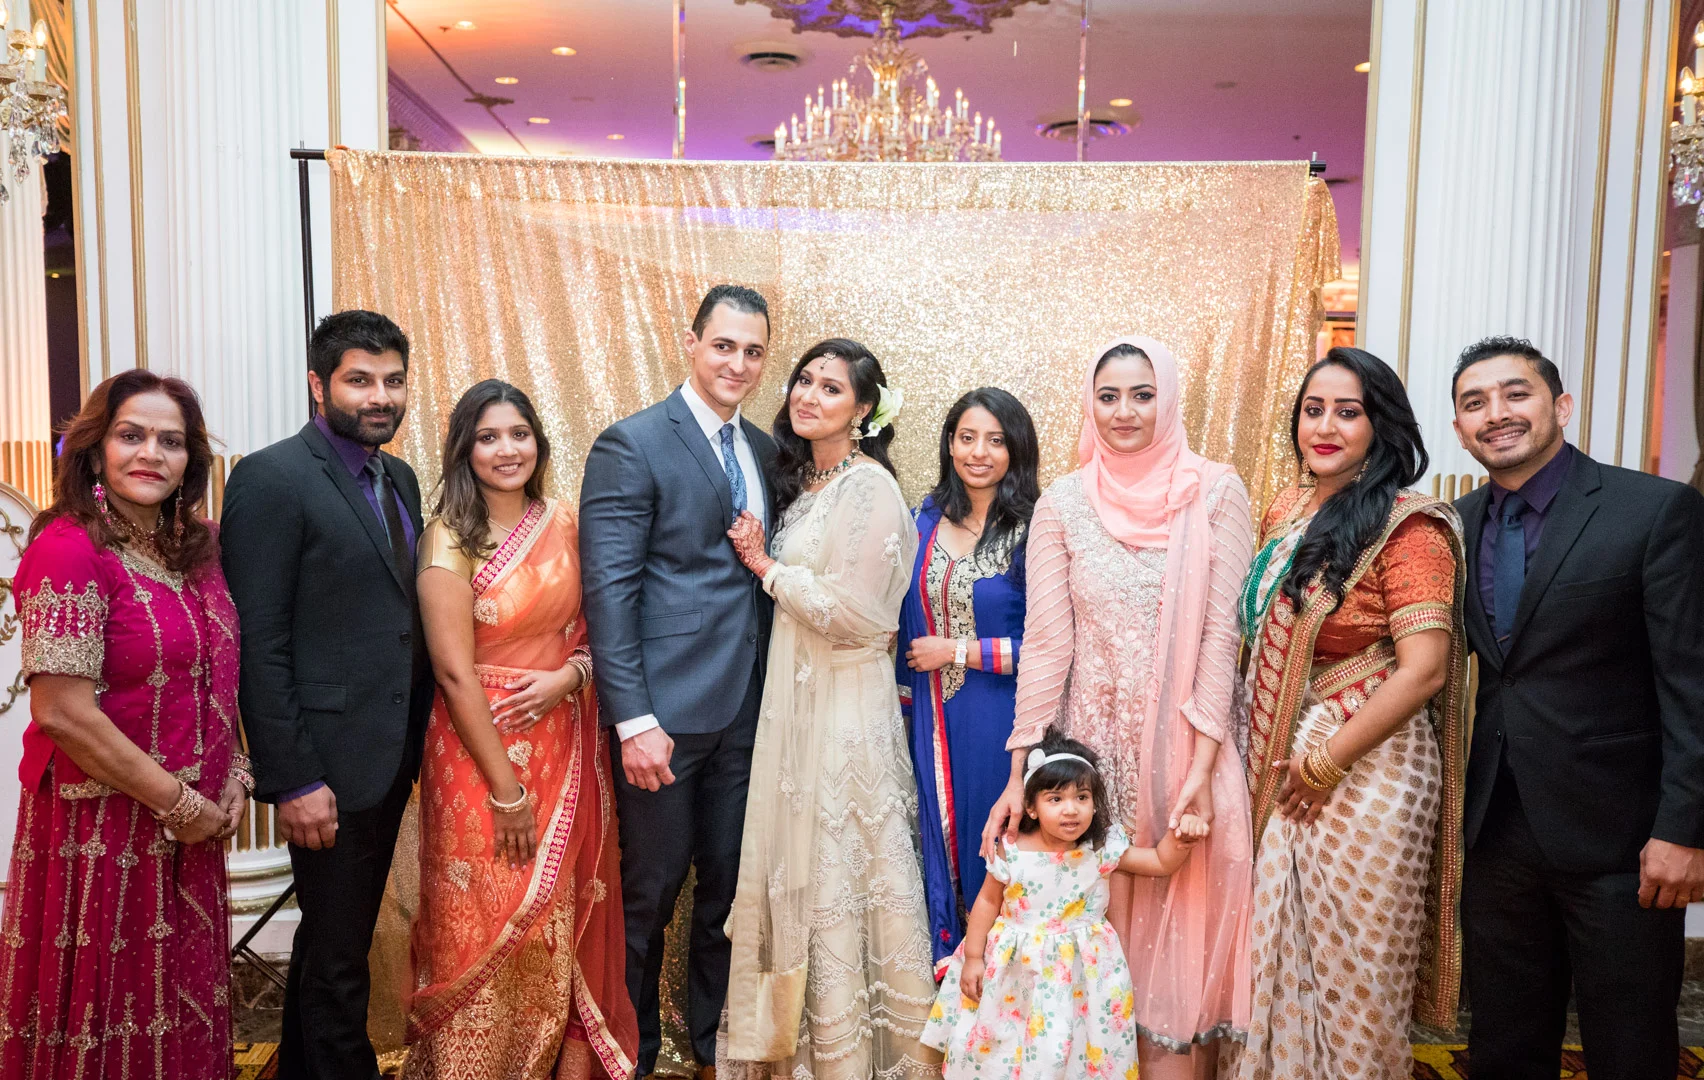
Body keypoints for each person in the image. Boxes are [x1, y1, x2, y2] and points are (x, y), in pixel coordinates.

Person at [988, 337, 1252, 1079]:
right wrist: (1020, 775)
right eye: (1108, 396)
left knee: (1181, 945)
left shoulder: (1216, 490)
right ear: (1089, 403)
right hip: (1092, 762)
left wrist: (1200, 767)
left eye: (1143, 394)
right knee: (1093, 948)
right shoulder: (1063, 503)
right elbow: (1048, 645)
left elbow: (1222, 635)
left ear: (1168, 399)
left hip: (1188, 753)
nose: (1124, 411)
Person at [1449, 336, 1704, 1080]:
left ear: (1560, 405)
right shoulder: (1453, 526)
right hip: (1497, 832)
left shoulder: (1653, 510)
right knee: (1503, 1045)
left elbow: (1691, 682)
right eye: (1475, 403)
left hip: (1624, 840)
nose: (1497, 413)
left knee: (1630, 1047)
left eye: (1516, 393)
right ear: (1460, 428)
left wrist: (1684, 830)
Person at [0, 371, 246, 1080]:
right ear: (95, 449)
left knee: (181, 1007)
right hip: (101, 829)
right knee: (111, 1015)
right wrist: (178, 805)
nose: (151, 454)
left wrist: (234, 771)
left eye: (171, 441)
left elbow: (220, 671)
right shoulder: (68, 548)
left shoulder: (200, 547)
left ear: (190, 461)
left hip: (193, 823)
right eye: (131, 435)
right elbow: (62, 713)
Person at [1234, 347, 1466, 1080]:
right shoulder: (1284, 510)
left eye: (1348, 411)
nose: (1325, 427)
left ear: (1380, 426)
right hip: (1282, 750)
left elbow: (1424, 670)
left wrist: (1327, 762)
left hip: (1370, 767)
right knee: (1269, 962)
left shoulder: (1411, 528)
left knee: (1355, 977)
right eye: (1313, 410)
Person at [221, 310, 436, 1080]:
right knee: (341, 962)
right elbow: (258, 642)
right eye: (360, 380)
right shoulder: (271, 478)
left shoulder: (398, 478)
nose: (380, 396)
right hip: (325, 767)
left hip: (391, 753)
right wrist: (293, 778)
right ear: (319, 385)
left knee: (330, 941)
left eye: (393, 381)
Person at [404, 380, 639, 1078]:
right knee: (480, 911)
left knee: (555, 915)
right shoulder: (449, 537)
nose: (506, 450)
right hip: (474, 755)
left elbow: (601, 631)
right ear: (464, 450)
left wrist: (570, 678)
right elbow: (453, 673)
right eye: (488, 437)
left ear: (539, 442)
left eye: (519, 434)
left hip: (564, 741)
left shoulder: (565, 522)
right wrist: (506, 793)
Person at [722, 339, 936, 1078]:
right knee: (803, 874)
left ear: (864, 409)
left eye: (832, 388)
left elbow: (860, 615)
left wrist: (766, 566)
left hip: (847, 709)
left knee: (842, 872)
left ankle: (854, 1058)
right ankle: (794, 1048)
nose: (809, 396)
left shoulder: (869, 486)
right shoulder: (808, 483)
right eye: (804, 381)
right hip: (798, 703)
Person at [579, 285, 777, 1080]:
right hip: (664, 716)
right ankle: (629, 1053)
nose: (737, 363)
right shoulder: (631, 444)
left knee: (728, 893)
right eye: (723, 345)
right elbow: (609, 592)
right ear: (689, 343)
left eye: (753, 351)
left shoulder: (763, 448)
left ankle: (710, 1047)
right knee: (649, 895)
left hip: (749, 710)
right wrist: (633, 720)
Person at [923, 731, 1207, 1080]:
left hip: (1082, 977)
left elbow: (1161, 862)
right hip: (1015, 974)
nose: (1071, 809)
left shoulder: (1100, 849)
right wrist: (973, 958)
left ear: (1094, 803)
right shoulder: (1012, 849)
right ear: (1031, 807)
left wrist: (1182, 837)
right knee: (1005, 1049)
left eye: (1082, 797)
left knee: (1074, 1052)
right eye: (1055, 799)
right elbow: (987, 900)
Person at [897, 387, 1040, 969]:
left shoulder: (1037, 529)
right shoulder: (923, 519)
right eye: (966, 438)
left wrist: (956, 651)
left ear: (1016, 450)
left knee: (996, 844)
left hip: (1004, 723)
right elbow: (904, 623)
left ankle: (1006, 984)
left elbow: (1053, 648)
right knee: (937, 845)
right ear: (949, 445)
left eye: (996, 440)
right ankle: (952, 985)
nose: (979, 452)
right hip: (930, 718)